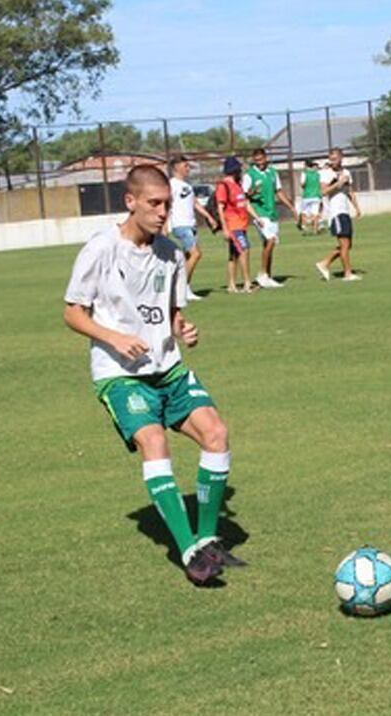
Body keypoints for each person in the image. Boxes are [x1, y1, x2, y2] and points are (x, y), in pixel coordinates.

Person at [63, 165, 247, 586]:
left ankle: (207, 540)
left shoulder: (171, 253)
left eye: (167, 204)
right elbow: (73, 313)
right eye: (154, 204)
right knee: (155, 441)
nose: (164, 212)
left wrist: (183, 328)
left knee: (216, 433)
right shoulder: (101, 248)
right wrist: (114, 337)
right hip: (121, 374)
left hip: (169, 368)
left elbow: (171, 313)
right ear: (130, 202)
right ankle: (188, 551)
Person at [167, 155, 219, 301]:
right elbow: (167, 205)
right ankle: (182, 289)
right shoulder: (171, 185)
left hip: (191, 224)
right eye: (186, 166)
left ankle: (184, 288)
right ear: (176, 167)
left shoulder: (187, 185)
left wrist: (209, 217)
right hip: (180, 225)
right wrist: (165, 225)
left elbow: (195, 203)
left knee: (188, 258)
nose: (188, 169)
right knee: (196, 254)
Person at [243, 147, 295, 288]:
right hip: (259, 213)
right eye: (256, 161)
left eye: (261, 160)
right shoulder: (250, 175)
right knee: (271, 240)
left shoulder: (272, 173)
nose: (259, 163)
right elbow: (244, 196)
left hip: (272, 213)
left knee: (269, 245)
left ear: (266, 158)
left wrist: (290, 207)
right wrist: (253, 192)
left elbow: (279, 192)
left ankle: (268, 276)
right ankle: (262, 274)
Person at [314, 148, 363, 282]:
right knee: (344, 244)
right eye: (331, 159)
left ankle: (325, 263)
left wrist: (356, 207)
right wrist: (338, 183)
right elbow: (323, 192)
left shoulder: (346, 173)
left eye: (335, 159)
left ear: (341, 158)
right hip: (335, 213)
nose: (333, 162)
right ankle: (347, 273)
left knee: (348, 245)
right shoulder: (326, 173)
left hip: (345, 211)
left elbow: (350, 192)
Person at [215, 156, 256, 293]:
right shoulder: (223, 186)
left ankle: (231, 285)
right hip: (233, 225)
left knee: (234, 255)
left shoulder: (238, 185)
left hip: (241, 224)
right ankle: (247, 283)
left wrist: (257, 218)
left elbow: (245, 203)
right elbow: (220, 208)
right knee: (244, 249)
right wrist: (225, 228)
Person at [298, 159, 323, 234]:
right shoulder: (317, 174)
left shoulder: (304, 173)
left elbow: (303, 184)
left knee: (304, 212)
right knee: (315, 213)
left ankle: (304, 229)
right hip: (316, 195)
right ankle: (315, 230)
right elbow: (320, 184)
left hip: (307, 195)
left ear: (306, 165)